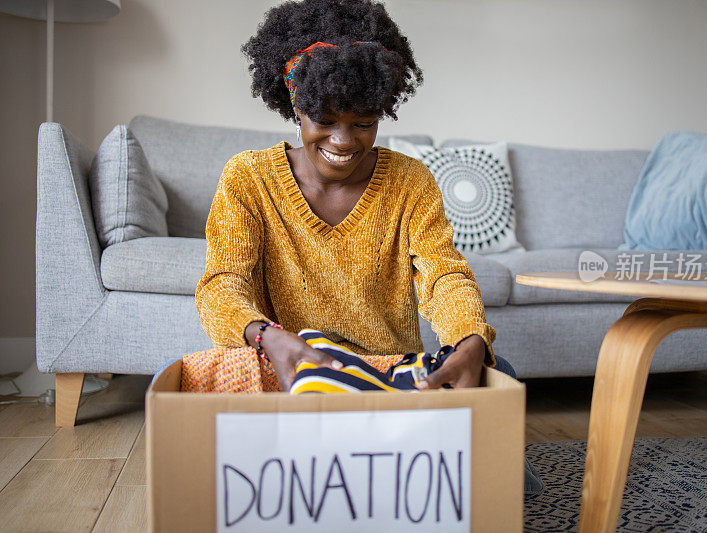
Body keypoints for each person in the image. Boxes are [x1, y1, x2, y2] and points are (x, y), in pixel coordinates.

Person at [194, 0, 543, 494]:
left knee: (495, 372)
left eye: (363, 122)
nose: (343, 140)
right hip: (297, 367)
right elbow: (221, 286)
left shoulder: (410, 182)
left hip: (390, 376)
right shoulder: (249, 178)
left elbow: (444, 276)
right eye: (326, 119)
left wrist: (470, 341)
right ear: (296, 105)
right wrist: (267, 336)